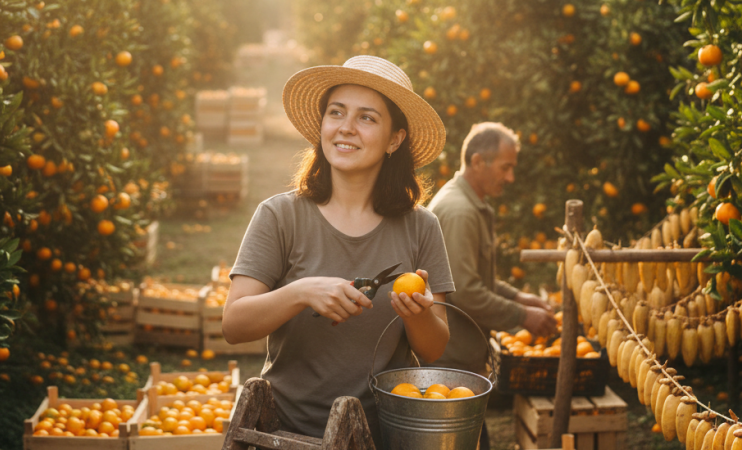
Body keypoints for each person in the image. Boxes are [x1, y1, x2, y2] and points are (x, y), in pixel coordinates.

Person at [222, 55, 454, 447]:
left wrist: (418, 316)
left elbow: (434, 349)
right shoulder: (279, 216)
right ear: (322, 125)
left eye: (367, 118)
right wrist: (301, 292)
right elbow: (233, 325)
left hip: (384, 434)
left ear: (394, 139)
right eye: (336, 112)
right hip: (288, 434)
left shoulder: (422, 227)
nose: (346, 127)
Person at [426, 123, 556, 449]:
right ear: (477, 161)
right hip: (448, 365)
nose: (510, 177)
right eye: (505, 167)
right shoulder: (460, 211)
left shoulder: (472, 205)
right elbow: (465, 291)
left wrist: (520, 297)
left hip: (462, 362)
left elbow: (474, 278)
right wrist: (522, 316)